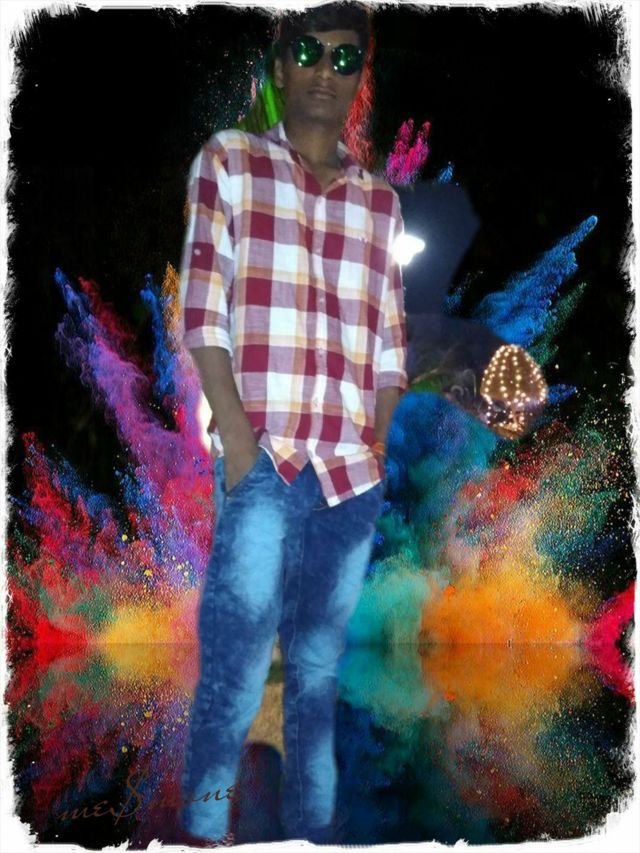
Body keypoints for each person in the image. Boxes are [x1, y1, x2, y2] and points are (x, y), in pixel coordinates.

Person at [177, 1, 407, 845]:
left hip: (350, 477)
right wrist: (239, 444)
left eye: (344, 59)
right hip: (264, 464)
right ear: (279, 68)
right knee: (235, 670)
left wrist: (376, 440)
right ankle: (204, 828)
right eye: (307, 52)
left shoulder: (380, 205)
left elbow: (390, 345)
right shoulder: (230, 162)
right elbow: (201, 312)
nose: (323, 72)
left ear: (358, 78)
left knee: (317, 670)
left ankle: (313, 827)